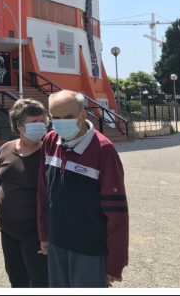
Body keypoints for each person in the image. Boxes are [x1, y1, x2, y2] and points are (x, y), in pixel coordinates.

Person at [37, 89, 128, 288]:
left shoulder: (104, 150)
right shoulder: (50, 141)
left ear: (83, 116)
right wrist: (44, 235)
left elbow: (117, 212)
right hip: (57, 244)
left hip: (89, 250)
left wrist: (115, 262)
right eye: (56, 117)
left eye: (68, 117)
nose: (61, 122)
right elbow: (44, 192)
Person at [0, 98, 50, 287]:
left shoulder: (49, 152)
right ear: (19, 125)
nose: (40, 125)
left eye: (42, 121)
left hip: (34, 230)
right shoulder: (6, 149)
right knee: (16, 276)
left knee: (40, 280)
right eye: (33, 122)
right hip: (7, 229)